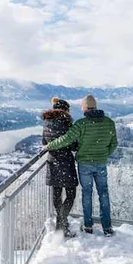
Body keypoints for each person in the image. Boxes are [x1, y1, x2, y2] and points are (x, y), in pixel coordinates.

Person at [42, 94, 118, 237]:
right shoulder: (109, 122)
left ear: (85, 107)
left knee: (87, 194)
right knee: (104, 194)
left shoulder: (81, 124)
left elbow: (66, 140)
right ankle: (107, 227)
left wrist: (49, 146)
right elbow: (114, 144)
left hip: (84, 164)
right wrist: (103, 154)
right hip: (100, 164)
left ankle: (88, 226)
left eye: (82, 106)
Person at [42, 97, 79, 238]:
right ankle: (61, 224)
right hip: (66, 163)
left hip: (53, 163)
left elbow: (44, 142)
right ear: (65, 110)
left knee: (57, 196)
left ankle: (61, 224)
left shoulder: (46, 124)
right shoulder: (68, 124)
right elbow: (74, 145)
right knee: (71, 195)